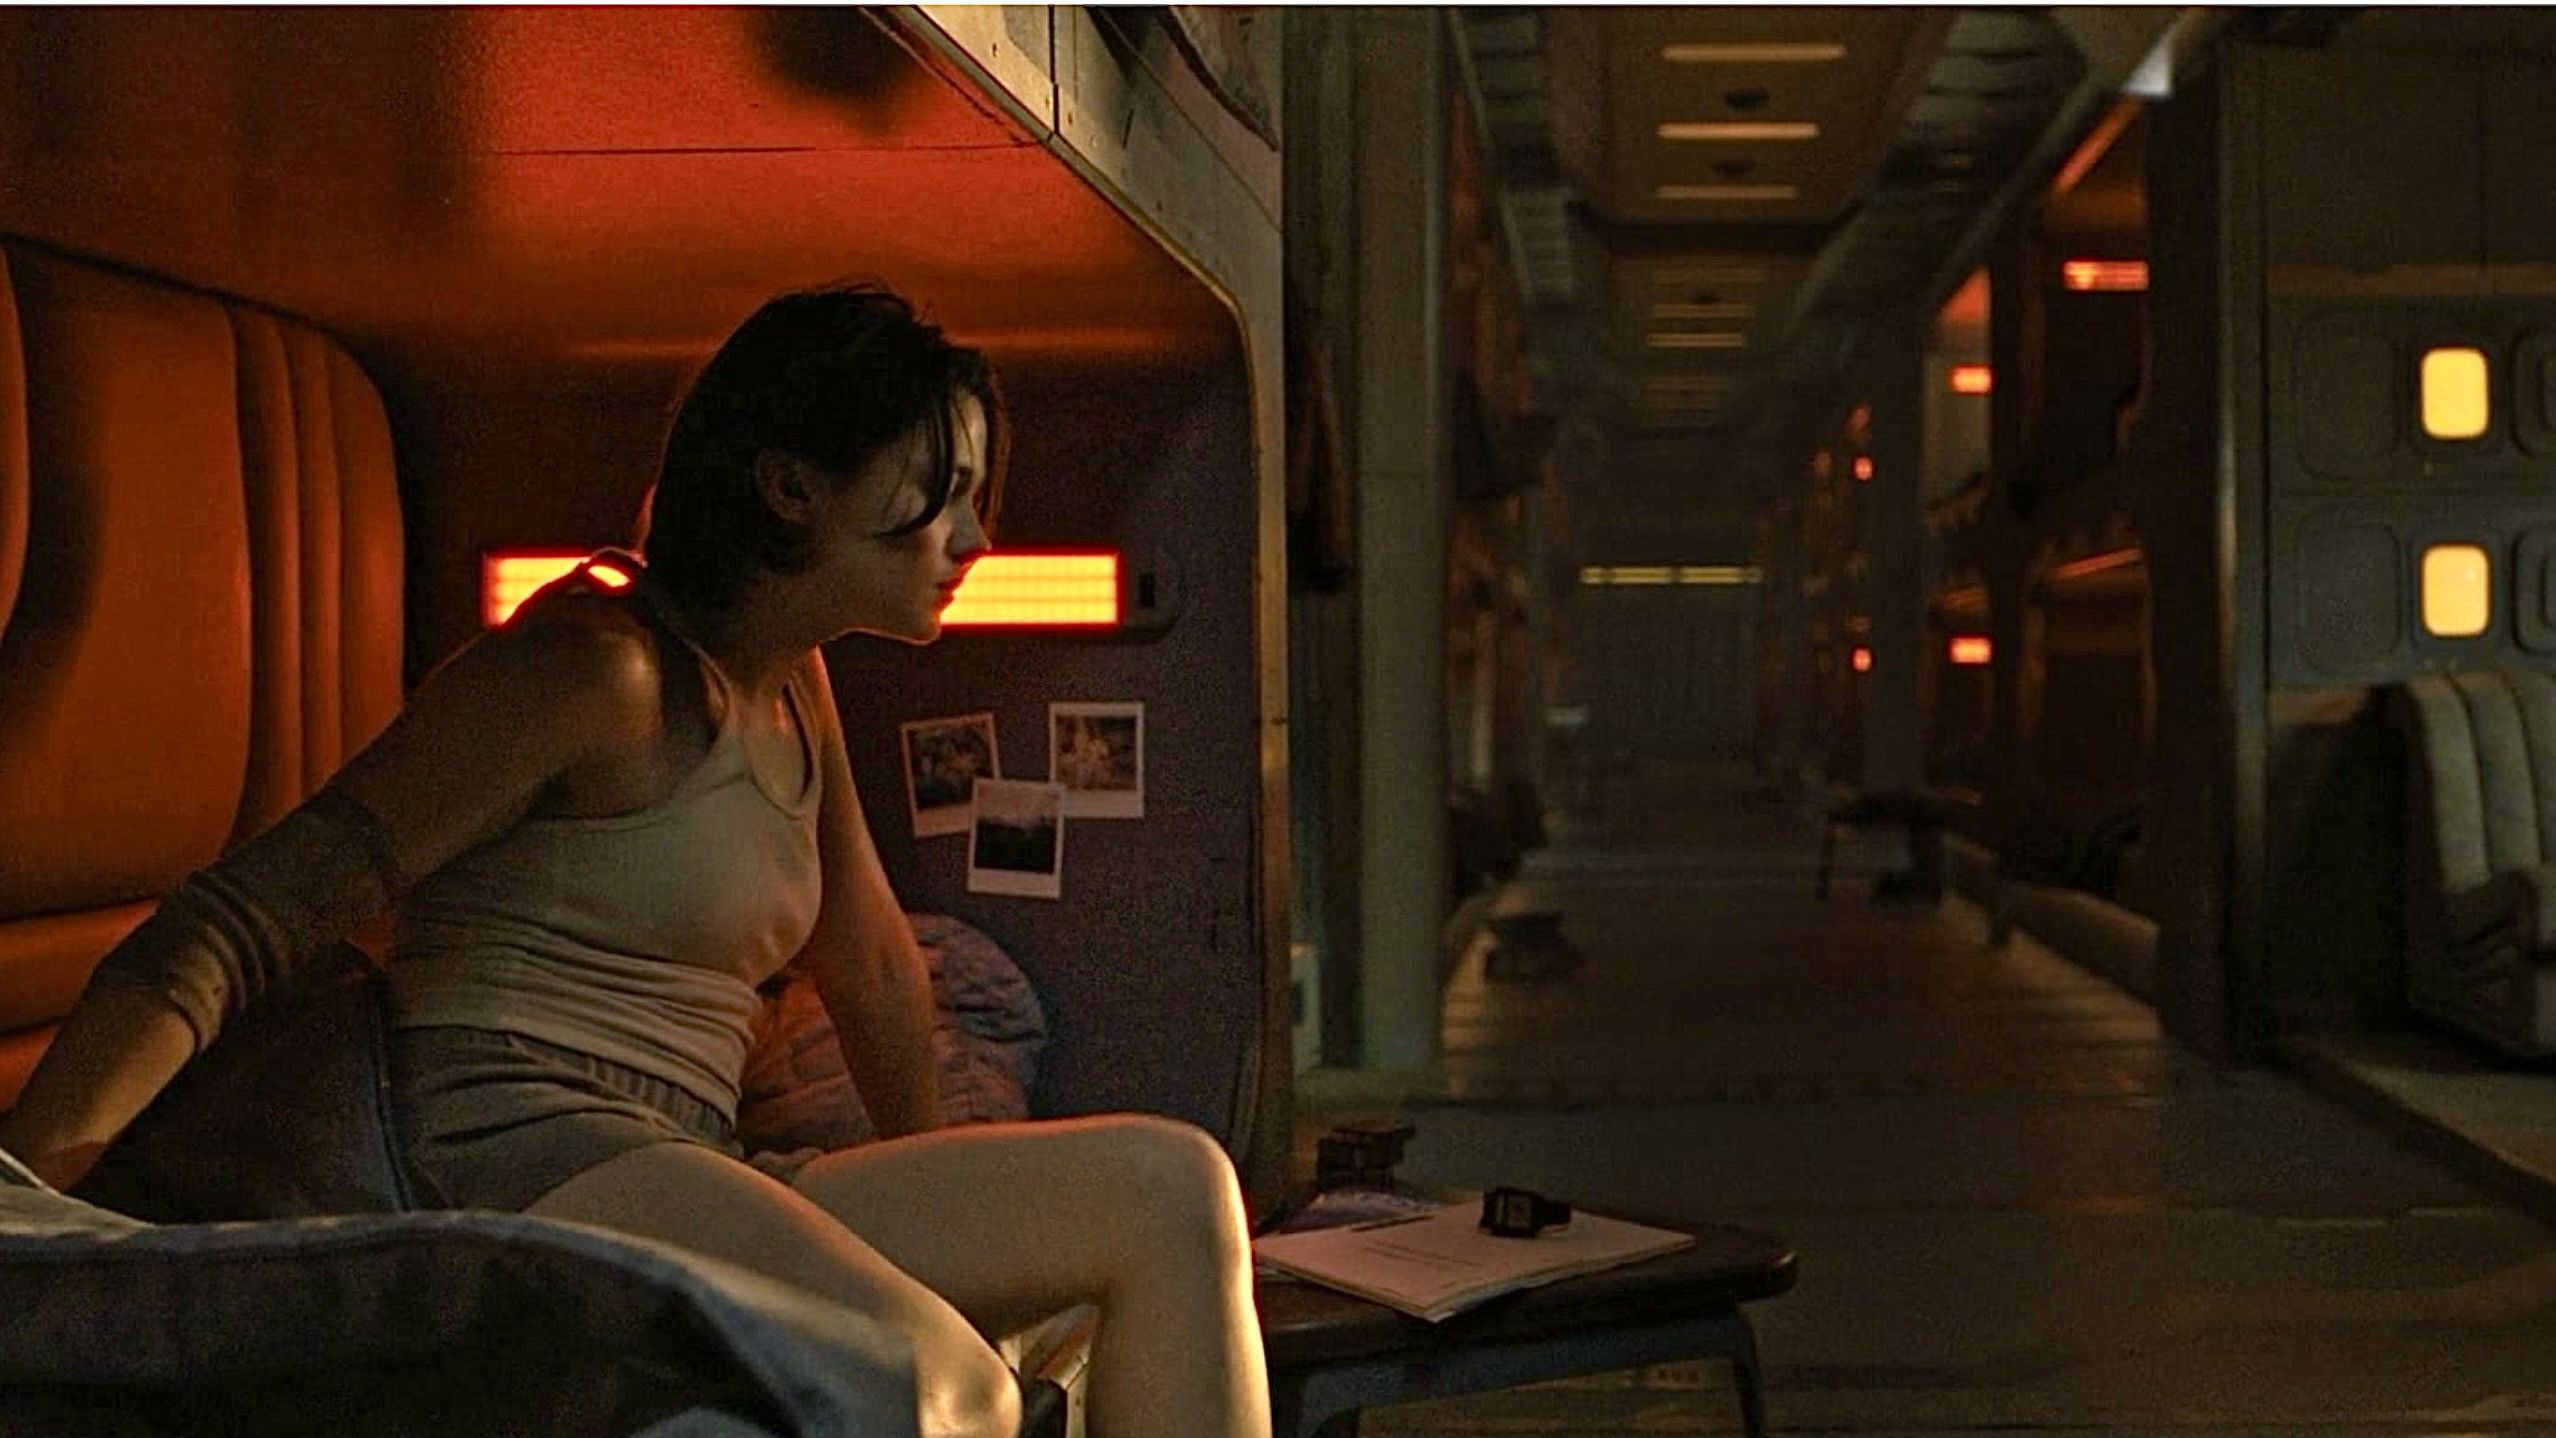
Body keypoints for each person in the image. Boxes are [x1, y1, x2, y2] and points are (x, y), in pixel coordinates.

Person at [0, 285, 1272, 1438]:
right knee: (940, 1384)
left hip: (681, 1148)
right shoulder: (592, 670)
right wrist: (30, 1204)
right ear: (792, 487)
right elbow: (242, 921)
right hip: (510, 1141)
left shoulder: (792, 685)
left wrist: (939, 1194)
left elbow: (876, 964)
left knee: (1175, 1189)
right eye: (940, 493)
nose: (974, 539)